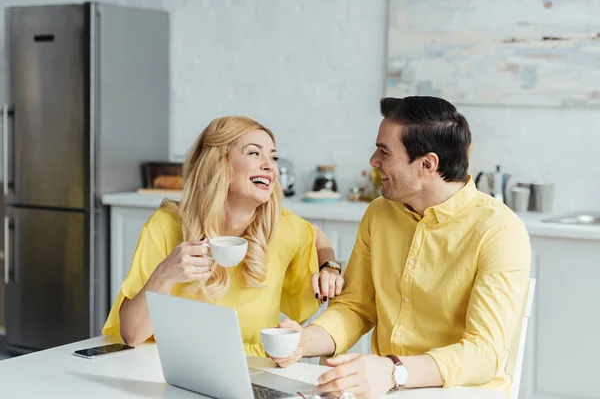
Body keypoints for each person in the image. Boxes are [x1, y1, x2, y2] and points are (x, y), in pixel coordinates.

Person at [273, 96, 531, 398]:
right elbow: (357, 307)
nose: (373, 161)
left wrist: (395, 371)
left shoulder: (498, 230)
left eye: (384, 152)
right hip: (389, 388)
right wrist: (304, 341)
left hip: (459, 391)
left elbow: (484, 353)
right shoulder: (380, 213)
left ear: (427, 164)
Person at [102, 116, 345, 356]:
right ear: (218, 163)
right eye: (253, 153)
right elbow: (132, 334)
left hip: (252, 369)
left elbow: (316, 235)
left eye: (273, 157)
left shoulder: (282, 229)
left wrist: (330, 267)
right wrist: (165, 275)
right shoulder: (166, 225)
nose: (270, 165)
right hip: (171, 365)